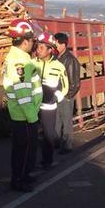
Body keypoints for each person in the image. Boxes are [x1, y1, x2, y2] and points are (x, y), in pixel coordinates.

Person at [2, 19, 42, 192]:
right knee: (25, 149)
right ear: (25, 41)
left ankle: (23, 175)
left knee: (22, 149)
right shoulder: (19, 61)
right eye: (32, 40)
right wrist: (32, 117)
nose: (33, 44)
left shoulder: (19, 58)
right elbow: (23, 92)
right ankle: (19, 180)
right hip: (25, 115)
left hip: (23, 113)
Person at [34, 32, 69, 169]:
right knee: (34, 135)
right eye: (37, 47)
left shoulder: (59, 66)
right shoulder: (32, 64)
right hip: (33, 106)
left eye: (41, 48)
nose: (38, 50)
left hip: (48, 107)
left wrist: (56, 97)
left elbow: (65, 86)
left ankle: (47, 161)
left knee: (48, 135)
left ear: (50, 50)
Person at [54, 32, 81, 154]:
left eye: (56, 43)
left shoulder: (70, 60)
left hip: (65, 96)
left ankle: (67, 145)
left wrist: (68, 96)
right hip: (57, 95)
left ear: (63, 44)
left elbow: (75, 82)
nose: (55, 45)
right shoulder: (57, 58)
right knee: (57, 120)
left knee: (66, 120)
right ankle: (57, 142)